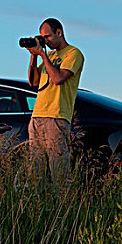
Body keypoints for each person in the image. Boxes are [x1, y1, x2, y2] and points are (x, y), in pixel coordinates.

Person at [25, 18, 84, 190]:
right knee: (36, 172)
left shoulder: (73, 54)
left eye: (48, 37)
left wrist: (42, 54)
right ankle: (40, 209)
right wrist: (33, 57)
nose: (45, 41)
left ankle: (64, 207)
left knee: (59, 172)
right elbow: (33, 82)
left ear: (59, 32)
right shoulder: (49, 55)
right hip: (37, 116)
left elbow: (58, 79)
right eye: (42, 37)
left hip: (56, 117)